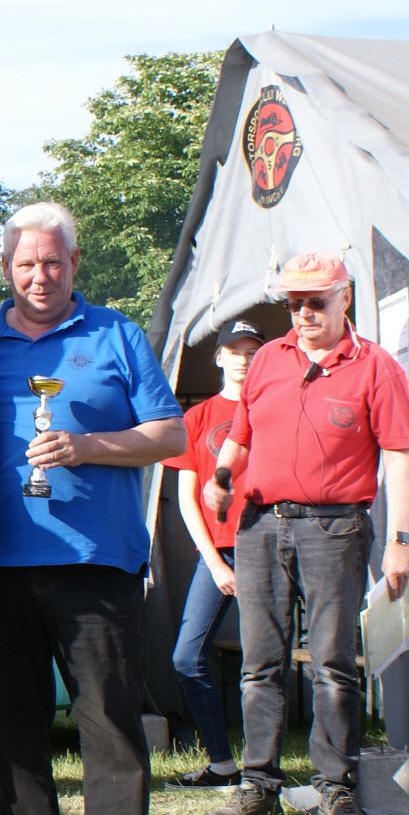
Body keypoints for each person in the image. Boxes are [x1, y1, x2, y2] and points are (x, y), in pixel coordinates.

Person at [0, 201, 184, 815]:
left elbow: (170, 432)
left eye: (53, 262)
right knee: (14, 731)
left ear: (74, 264)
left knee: (111, 726)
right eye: (26, 264)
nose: (40, 276)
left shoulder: (117, 334)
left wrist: (87, 446)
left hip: (98, 564)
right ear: (6, 268)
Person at [202, 252, 409, 815]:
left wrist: (400, 540)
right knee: (258, 664)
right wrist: (220, 478)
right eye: (293, 304)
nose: (303, 314)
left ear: (345, 297)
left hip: (336, 527)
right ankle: (258, 785)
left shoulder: (375, 366)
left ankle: (336, 789)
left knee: (333, 664)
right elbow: (240, 437)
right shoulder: (269, 359)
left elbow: (399, 457)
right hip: (260, 525)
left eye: (315, 301)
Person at [162, 318, 264, 789]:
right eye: (235, 350)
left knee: (265, 660)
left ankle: (266, 770)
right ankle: (222, 763)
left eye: (252, 351)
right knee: (187, 657)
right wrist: (215, 562)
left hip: (268, 546)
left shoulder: (272, 407)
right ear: (219, 356)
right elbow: (187, 499)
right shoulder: (198, 417)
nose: (243, 359)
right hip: (218, 552)